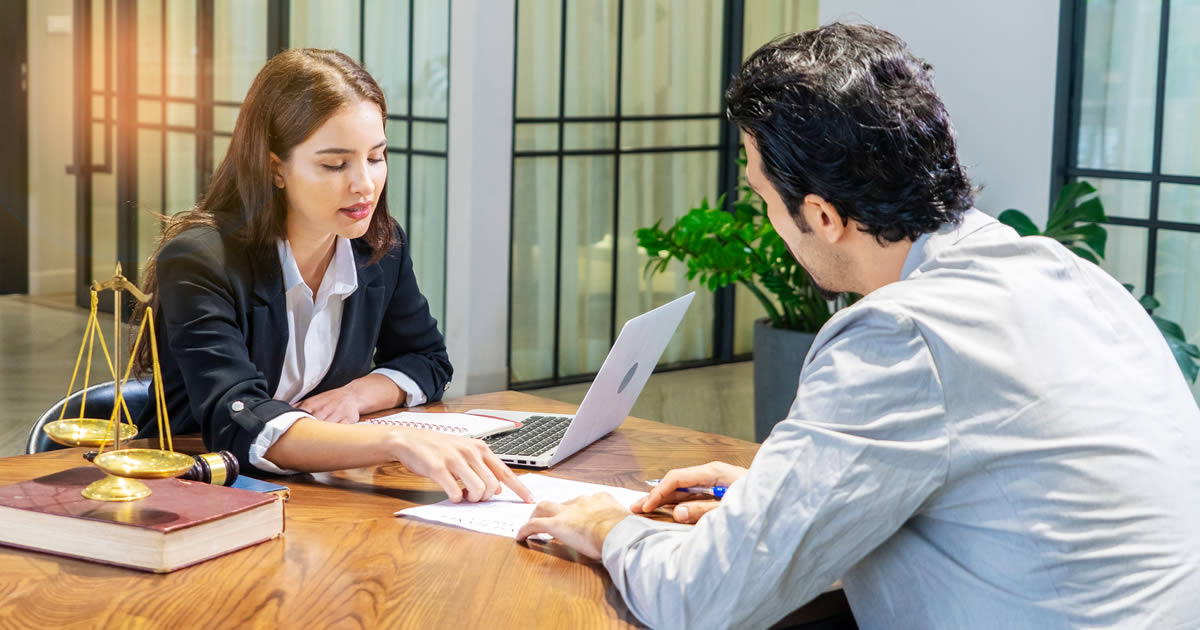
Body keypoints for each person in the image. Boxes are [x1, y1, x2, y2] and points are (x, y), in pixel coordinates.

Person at [516, 23, 1200, 629]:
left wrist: (605, 529)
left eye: (762, 198)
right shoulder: (1060, 270)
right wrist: (784, 497)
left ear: (821, 216)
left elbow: (704, 600)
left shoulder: (902, 335)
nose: (768, 223)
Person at [131, 49, 531, 504]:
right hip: (200, 492)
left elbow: (427, 360)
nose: (364, 184)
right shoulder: (202, 261)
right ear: (275, 167)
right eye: (336, 164)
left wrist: (357, 396)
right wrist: (398, 439)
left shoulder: (378, 247)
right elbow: (237, 418)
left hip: (315, 492)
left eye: (376, 157)